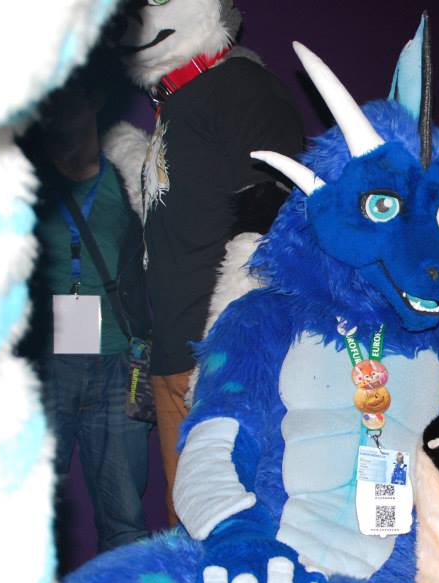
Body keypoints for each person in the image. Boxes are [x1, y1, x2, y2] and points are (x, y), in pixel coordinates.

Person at [120, 0, 304, 525]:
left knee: (239, 516)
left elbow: (278, 213)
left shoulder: (240, 85)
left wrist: (235, 334)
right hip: (172, 350)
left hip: (224, 352)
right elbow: (176, 210)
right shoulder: (175, 107)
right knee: (187, 519)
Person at [20, 61, 150, 554]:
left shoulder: (130, 176)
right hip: (43, 364)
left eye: (66, 95)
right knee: (28, 509)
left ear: (95, 101)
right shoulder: (24, 177)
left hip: (118, 361)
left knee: (125, 516)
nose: (53, 108)